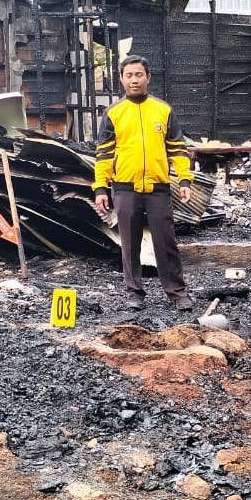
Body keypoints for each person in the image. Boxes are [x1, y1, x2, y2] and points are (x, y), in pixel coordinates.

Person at [92, 55, 195, 312]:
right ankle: (134, 292)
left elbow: (178, 149)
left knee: (166, 240)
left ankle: (177, 292)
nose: (134, 80)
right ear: (121, 79)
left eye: (139, 75)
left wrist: (184, 179)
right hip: (125, 188)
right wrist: (101, 188)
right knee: (129, 241)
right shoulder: (114, 113)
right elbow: (103, 154)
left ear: (148, 77)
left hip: (158, 188)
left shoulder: (163, 110)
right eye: (129, 75)